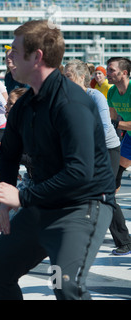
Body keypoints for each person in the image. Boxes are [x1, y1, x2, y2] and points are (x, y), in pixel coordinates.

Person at [0, 20, 115, 300]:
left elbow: (79, 173)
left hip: (82, 206)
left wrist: (22, 197)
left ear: (37, 56)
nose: (8, 58)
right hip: (42, 202)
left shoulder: (71, 103)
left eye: (15, 51)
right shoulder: (26, 105)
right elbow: (8, 154)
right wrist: (6, 202)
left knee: (64, 285)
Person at [64, 59, 130, 257]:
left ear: (81, 78)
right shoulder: (66, 96)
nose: (64, 81)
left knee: (105, 192)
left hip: (106, 148)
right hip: (84, 149)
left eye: (68, 77)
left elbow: (104, 126)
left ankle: (124, 240)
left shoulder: (95, 96)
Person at [106, 56, 131, 255]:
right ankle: (124, 240)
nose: (108, 73)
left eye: (112, 70)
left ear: (124, 72)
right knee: (112, 180)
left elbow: (113, 123)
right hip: (129, 139)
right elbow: (113, 121)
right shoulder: (113, 91)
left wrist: (113, 125)